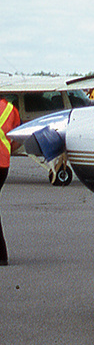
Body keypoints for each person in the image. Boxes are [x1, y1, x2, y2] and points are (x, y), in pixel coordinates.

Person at [0, 95, 20, 265]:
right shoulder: (10, 109)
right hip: (3, 164)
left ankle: (1, 255)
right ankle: (1, 254)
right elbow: (19, 137)